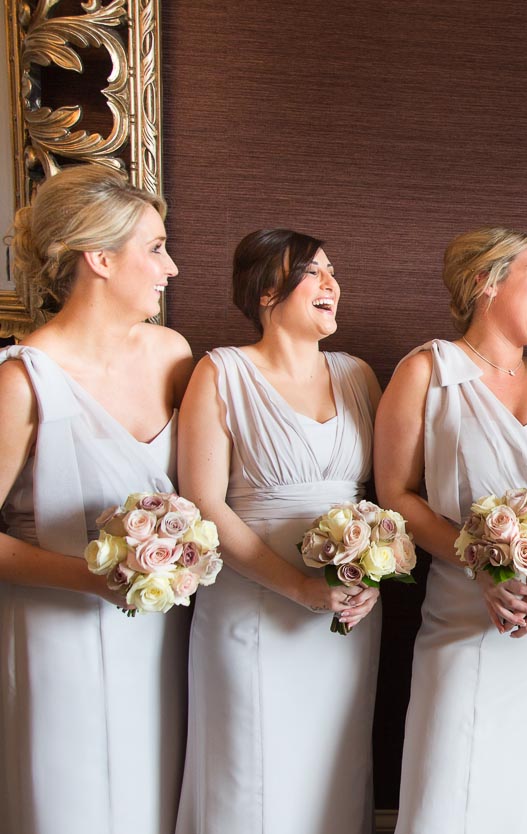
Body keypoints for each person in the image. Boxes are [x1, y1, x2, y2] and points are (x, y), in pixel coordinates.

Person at [377, 227, 527, 834]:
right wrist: (479, 565)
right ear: (486, 282)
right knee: (452, 776)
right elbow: (396, 493)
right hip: (466, 603)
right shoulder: (425, 370)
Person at [0, 164, 193, 833]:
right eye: (156, 248)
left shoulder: (171, 354)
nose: (171, 268)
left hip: (159, 638)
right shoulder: (23, 382)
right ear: (100, 259)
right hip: (56, 636)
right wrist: (94, 578)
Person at [175, 230, 382, 834]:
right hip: (252, 607)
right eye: (313, 272)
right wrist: (299, 587)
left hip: (345, 615)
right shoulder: (221, 372)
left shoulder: (358, 376)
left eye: (332, 271)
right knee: (251, 773)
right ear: (267, 291)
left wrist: (374, 572)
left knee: (332, 773)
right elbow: (203, 504)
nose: (331, 283)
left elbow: (381, 499)